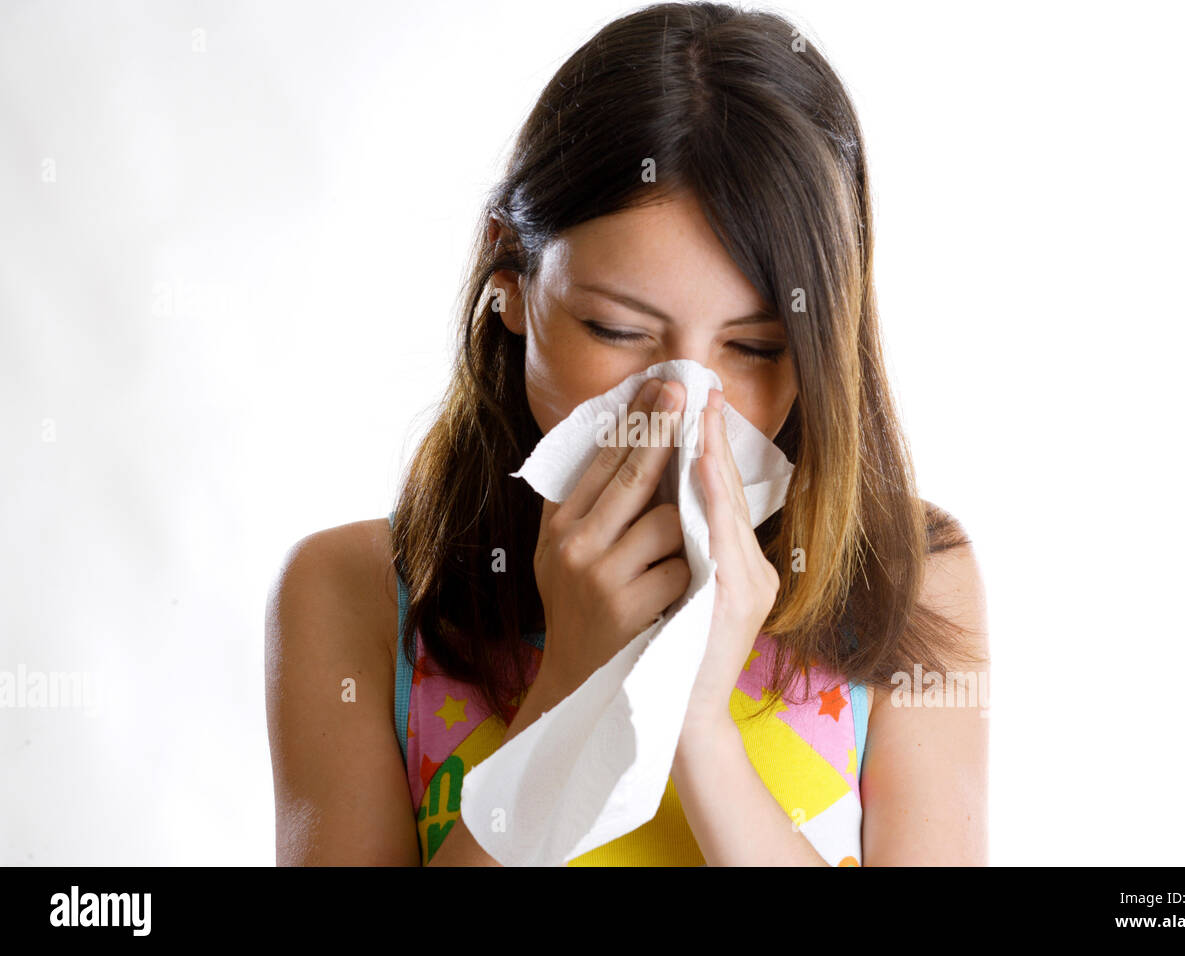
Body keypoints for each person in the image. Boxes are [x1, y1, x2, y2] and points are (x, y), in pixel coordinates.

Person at [265, 1, 989, 866]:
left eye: (755, 347)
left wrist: (695, 718)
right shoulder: (354, 596)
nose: (679, 403)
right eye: (616, 330)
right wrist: (572, 690)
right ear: (511, 280)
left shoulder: (909, 581)